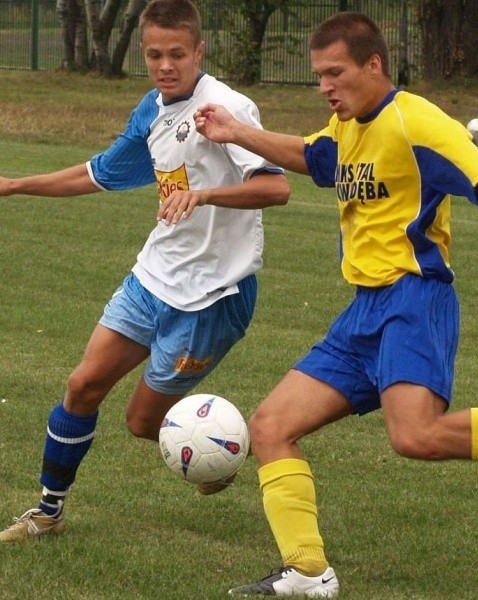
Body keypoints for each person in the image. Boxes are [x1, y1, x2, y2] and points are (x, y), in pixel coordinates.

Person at [189, 11, 478, 597]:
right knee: (272, 425)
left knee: (416, 437)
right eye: (319, 76)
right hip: (363, 311)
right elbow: (312, 156)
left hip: (415, 298)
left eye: (335, 73)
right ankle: (308, 570)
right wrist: (235, 130)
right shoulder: (349, 125)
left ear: (373, 65)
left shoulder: (417, 122)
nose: (325, 87)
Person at [0, 0, 290, 543]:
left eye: (177, 54)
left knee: (141, 423)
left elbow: (277, 187)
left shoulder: (228, 107)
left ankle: (219, 447)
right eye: (155, 54)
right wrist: (15, 185)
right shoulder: (152, 110)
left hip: (211, 296)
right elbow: (100, 174)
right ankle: (48, 512)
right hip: (153, 277)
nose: (165, 65)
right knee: (83, 385)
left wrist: (203, 196)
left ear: (199, 51)